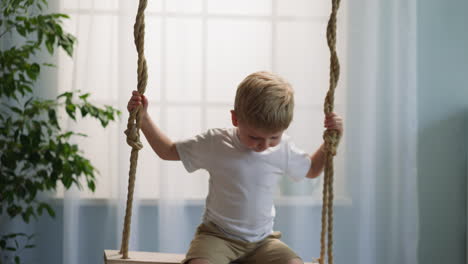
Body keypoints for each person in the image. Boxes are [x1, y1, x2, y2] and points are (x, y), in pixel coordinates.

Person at [127, 71, 343, 264]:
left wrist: (330, 142)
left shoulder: (283, 149)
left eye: (274, 137)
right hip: (217, 237)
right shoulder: (216, 143)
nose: (264, 146)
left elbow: (312, 169)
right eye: (255, 137)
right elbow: (167, 151)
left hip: (263, 242)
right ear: (235, 118)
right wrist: (144, 119)